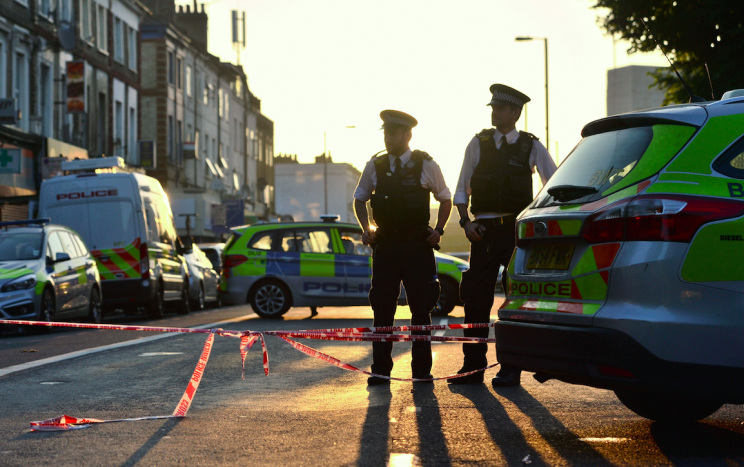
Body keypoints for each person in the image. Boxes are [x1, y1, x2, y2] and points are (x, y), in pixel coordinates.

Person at [450, 84, 557, 388]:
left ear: (515, 113)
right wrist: (465, 221)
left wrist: (537, 220)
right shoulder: (479, 142)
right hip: (482, 232)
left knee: (515, 302)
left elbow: (553, 183)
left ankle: (511, 368)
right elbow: (461, 188)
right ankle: (473, 366)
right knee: (476, 300)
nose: (494, 113)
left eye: (500, 108)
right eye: (493, 108)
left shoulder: (530, 145)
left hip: (515, 231)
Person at [353, 110, 452, 385]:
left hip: (416, 247)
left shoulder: (425, 164)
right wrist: (366, 229)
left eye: (393, 133)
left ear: (407, 135)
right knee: (382, 310)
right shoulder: (376, 165)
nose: (388, 138)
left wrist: (439, 230)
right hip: (386, 246)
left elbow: (446, 199)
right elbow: (360, 199)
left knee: (421, 310)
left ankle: (421, 371)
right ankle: (380, 370)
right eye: (385, 133)